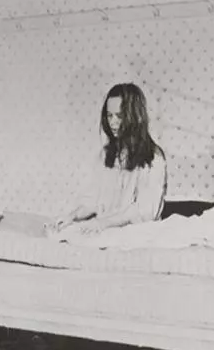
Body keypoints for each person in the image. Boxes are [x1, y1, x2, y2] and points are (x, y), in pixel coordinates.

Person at [50, 82, 167, 237]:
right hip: (106, 228)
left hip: (138, 233)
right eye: (109, 115)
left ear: (136, 117)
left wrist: (103, 223)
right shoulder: (106, 154)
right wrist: (72, 216)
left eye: (120, 116)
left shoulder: (153, 158)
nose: (112, 123)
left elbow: (144, 212)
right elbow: (94, 199)